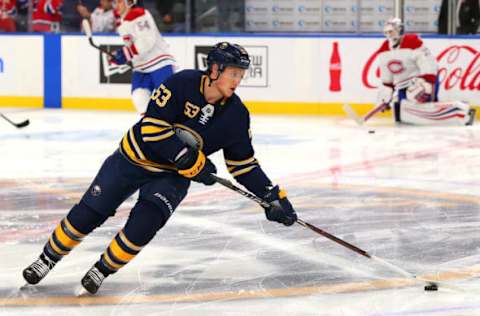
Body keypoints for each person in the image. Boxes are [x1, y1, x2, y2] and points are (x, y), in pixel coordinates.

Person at [22, 42, 298, 295]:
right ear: (215, 69)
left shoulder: (237, 115)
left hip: (171, 178)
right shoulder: (183, 83)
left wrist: (270, 194)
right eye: (233, 73)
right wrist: (188, 158)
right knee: (89, 214)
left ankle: (101, 270)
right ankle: (46, 259)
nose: (237, 80)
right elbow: (151, 127)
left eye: (241, 75)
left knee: (144, 226)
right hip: (131, 159)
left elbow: (243, 165)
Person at [376, 17, 476, 126]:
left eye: (391, 31)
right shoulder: (384, 49)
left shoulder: (412, 41)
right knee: (401, 108)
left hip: (422, 80)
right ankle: (445, 112)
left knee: (417, 96)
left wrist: (427, 81)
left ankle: (460, 111)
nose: (389, 35)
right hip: (403, 84)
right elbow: (386, 77)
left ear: (400, 29)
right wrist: (385, 97)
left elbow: (428, 62)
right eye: (386, 32)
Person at [109, 0, 176, 114]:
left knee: (169, 104)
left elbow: (146, 41)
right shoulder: (122, 20)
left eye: (119, 2)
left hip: (159, 63)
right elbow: (132, 46)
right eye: (115, 2)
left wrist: (125, 54)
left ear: (129, 2)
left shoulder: (138, 14)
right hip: (140, 67)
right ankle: (152, 127)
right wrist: (119, 55)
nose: (116, 6)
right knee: (140, 99)